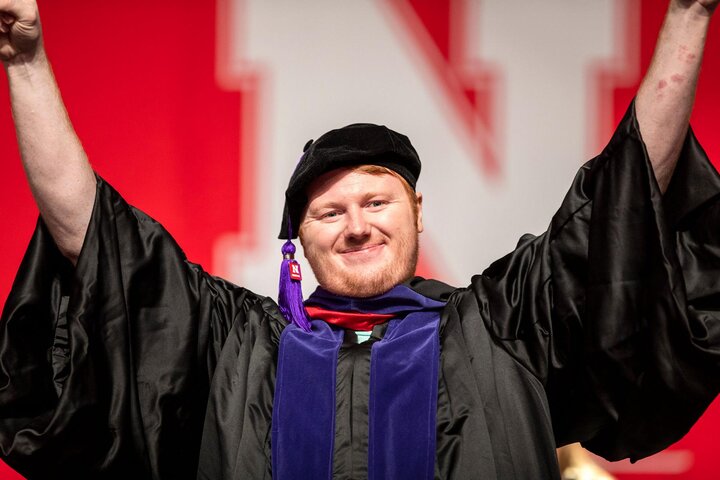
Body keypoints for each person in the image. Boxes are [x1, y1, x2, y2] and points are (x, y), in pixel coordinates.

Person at [1, 0, 720, 479]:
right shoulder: (237, 346)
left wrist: (689, 11)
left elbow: (627, 198)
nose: (356, 224)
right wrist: (26, 63)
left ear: (416, 214)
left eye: (377, 199)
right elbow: (90, 236)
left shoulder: (503, 326)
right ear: (299, 243)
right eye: (328, 211)